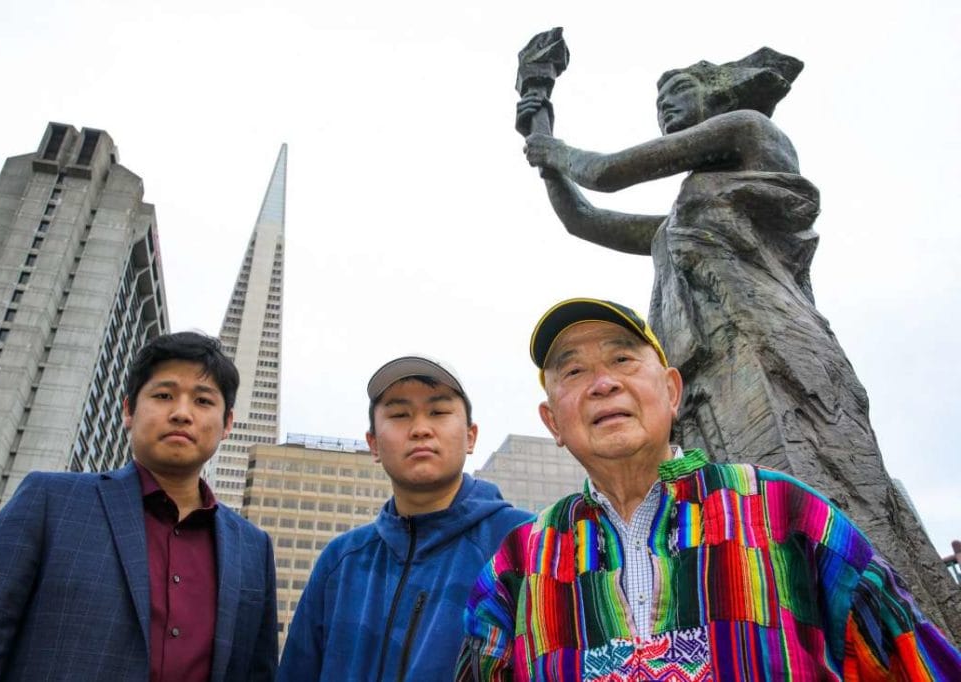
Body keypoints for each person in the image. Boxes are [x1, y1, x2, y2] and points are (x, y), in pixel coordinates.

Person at [516, 46, 960, 633]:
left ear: (721, 91)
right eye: (658, 97)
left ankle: (881, 636)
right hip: (697, 373)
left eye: (678, 88)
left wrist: (558, 150)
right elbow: (582, 217)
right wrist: (540, 125)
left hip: (767, 350)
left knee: (810, 498)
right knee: (729, 524)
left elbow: (607, 172)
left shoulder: (753, 135)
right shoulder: (675, 222)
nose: (666, 104)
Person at [456, 298, 961, 680]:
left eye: (624, 360)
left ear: (672, 391)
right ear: (553, 422)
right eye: (573, 371)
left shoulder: (783, 510)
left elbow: (910, 658)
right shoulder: (519, 564)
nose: (602, 384)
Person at [0, 332, 277, 681]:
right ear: (129, 410)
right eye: (163, 395)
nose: (181, 413)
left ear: (228, 424)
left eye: (203, 401)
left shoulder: (253, 548)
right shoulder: (50, 501)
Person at [278, 355, 532, 681]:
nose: (420, 429)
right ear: (373, 445)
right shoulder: (341, 561)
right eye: (399, 415)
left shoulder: (523, 540)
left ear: (471, 436)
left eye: (439, 412)